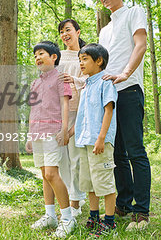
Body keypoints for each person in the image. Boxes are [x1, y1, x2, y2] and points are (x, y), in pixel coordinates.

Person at [97, 0, 151, 230]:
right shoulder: (104, 30)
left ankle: (141, 212)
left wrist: (125, 74)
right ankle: (124, 202)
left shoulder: (134, 12)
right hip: (108, 96)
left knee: (134, 151)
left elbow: (140, 45)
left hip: (128, 90)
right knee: (116, 153)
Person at [27, 41, 76, 238]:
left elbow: (65, 104)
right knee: (44, 174)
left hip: (53, 132)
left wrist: (64, 130)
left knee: (52, 173)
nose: (37, 58)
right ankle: (50, 215)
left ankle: (67, 217)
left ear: (54, 57)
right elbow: (33, 109)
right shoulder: (35, 82)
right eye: (35, 55)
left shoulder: (60, 77)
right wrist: (30, 135)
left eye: (41, 54)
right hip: (37, 132)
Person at [73, 43, 118, 237]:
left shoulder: (105, 82)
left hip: (100, 142)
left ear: (99, 61)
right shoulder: (86, 85)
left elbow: (108, 111)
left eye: (85, 59)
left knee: (104, 182)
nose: (81, 63)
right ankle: (94, 217)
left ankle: (109, 223)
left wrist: (101, 138)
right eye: (79, 59)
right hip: (85, 141)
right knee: (89, 182)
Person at [57, 19, 87, 217]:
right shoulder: (58, 56)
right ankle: (67, 198)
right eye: (61, 31)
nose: (64, 34)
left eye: (67, 30)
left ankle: (77, 201)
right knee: (61, 160)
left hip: (80, 109)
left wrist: (74, 80)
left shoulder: (86, 54)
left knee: (76, 157)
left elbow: (92, 77)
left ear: (77, 31)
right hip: (59, 112)